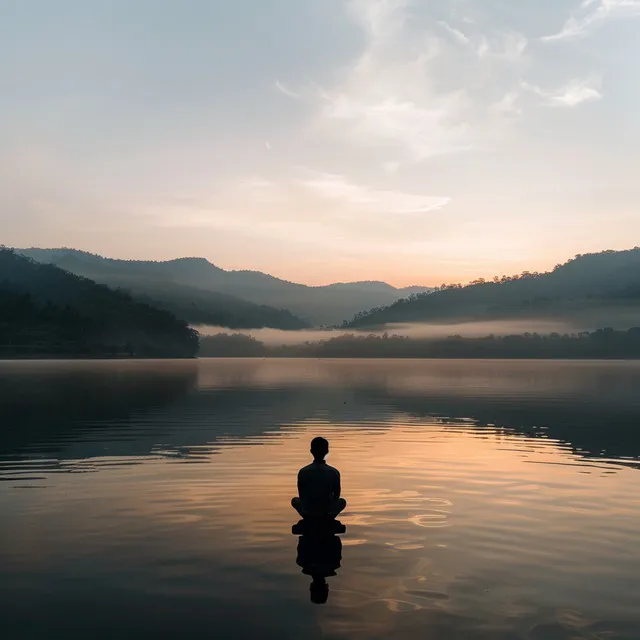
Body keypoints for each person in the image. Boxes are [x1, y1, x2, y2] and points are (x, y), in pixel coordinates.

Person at [291, 437, 346, 519]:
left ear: (311, 451)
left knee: (295, 500)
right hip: (327, 510)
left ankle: (308, 515)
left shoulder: (303, 471)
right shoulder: (334, 472)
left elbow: (302, 495)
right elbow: (337, 495)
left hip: (308, 511)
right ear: (327, 452)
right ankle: (329, 516)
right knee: (342, 501)